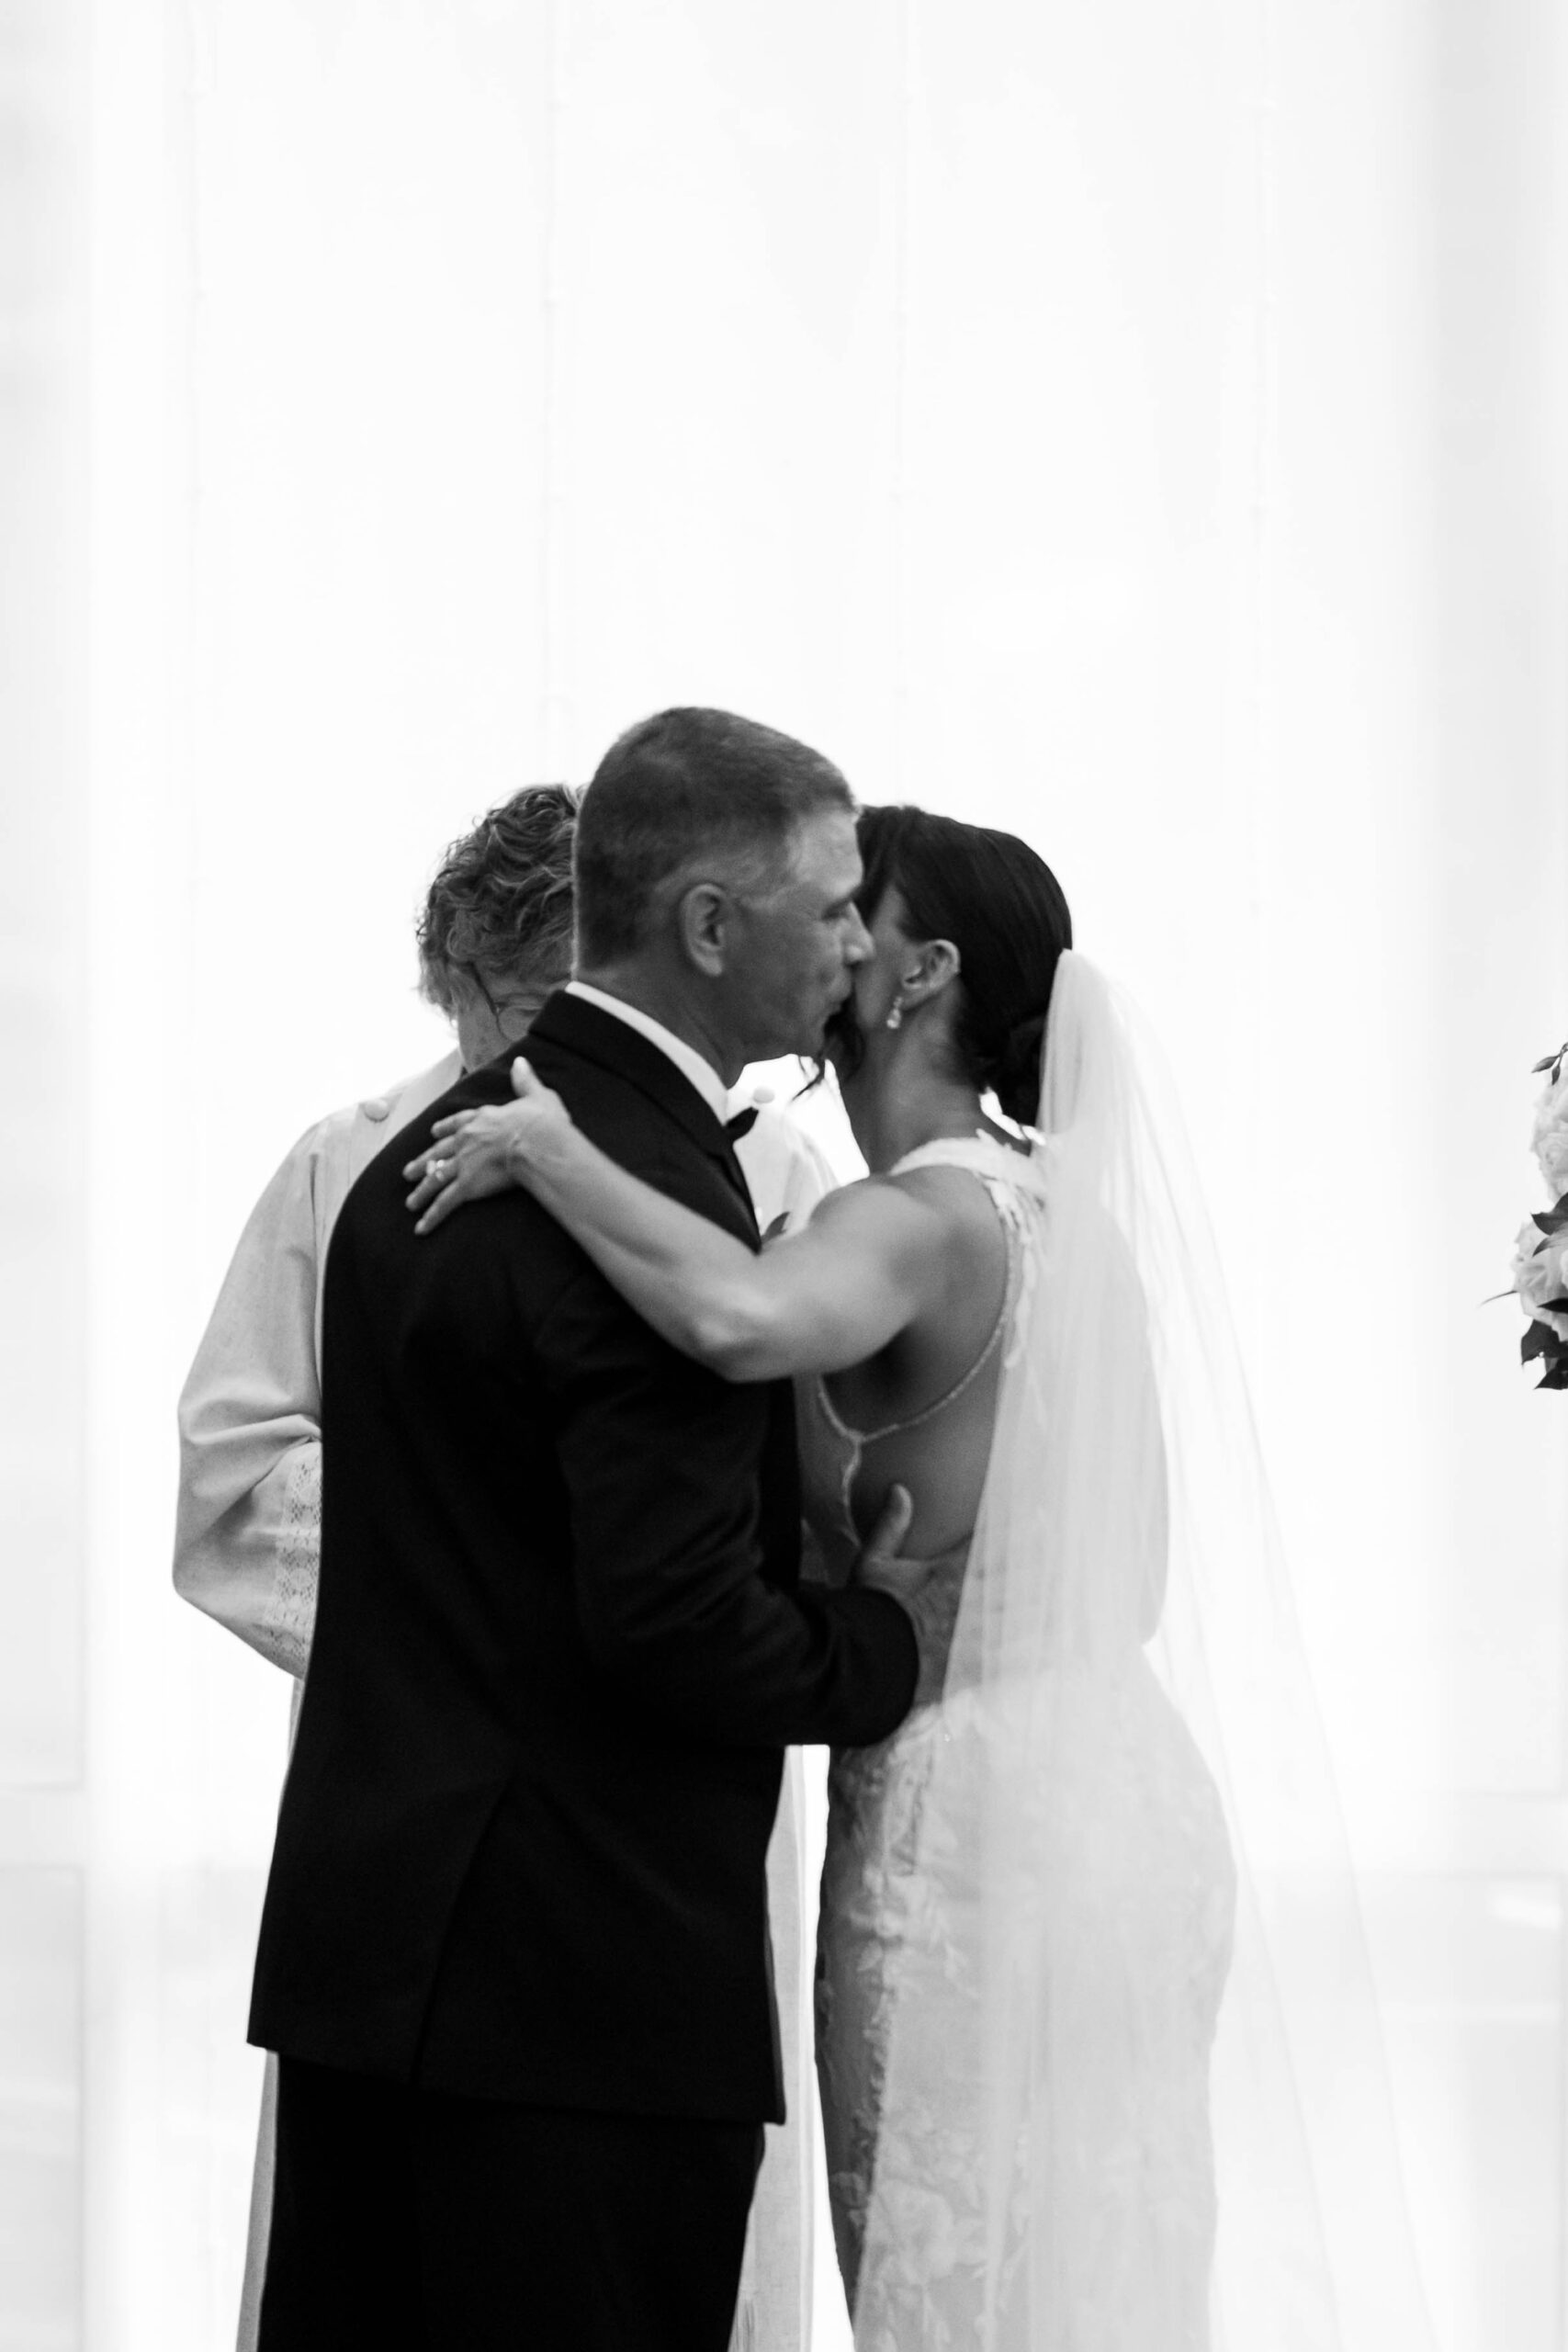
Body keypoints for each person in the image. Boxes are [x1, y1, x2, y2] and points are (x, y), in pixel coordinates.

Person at [406, 802, 1431, 2348]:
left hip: (967, 1826)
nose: (820, 938)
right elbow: (1132, 1575)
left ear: (919, 969)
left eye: (848, 915)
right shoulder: (1060, 1213)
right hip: (1124, 1786)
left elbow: (742, 1322)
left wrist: (551, 1154)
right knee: (1104, 2278)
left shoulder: (907, 1218)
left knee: (942, 2283)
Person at [246, 711, 961, 2352]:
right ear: (710, 926)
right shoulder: (659, 1206)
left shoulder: (409, 1165)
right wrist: (886, 1641)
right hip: (579, 2014)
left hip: (370, 1984)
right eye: (835, 902)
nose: (860, 945)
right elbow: (674, 1622)